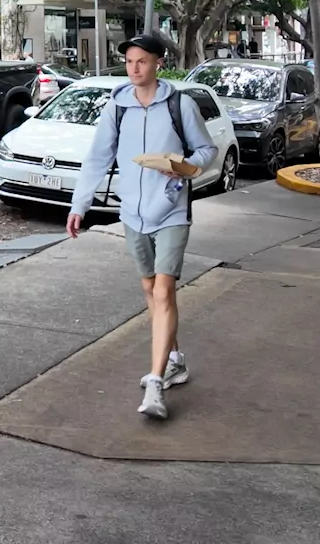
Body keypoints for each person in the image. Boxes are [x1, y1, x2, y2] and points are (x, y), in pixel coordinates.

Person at [67, 33, 217, 421]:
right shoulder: (117, 107)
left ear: (157, 64)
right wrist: (79, 205)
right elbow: (97, 158)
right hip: (131, 212)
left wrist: (179, 165)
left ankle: (155, 382)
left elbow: (206, 151)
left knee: (164, 291)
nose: (134, 68)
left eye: (142, 61)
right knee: (150, 289)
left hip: (170, 210)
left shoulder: (178, 104)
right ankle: (175, 360)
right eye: (130, 61)